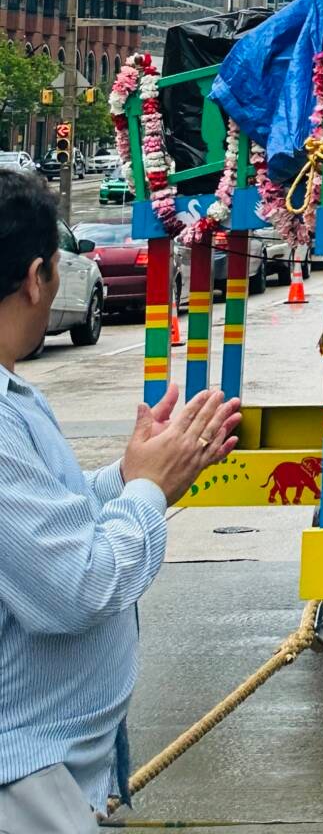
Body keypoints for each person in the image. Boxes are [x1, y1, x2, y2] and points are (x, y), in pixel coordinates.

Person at [0, 171, 241, 830]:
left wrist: (131, 473)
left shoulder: (15, 399)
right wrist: (147, 490)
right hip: (23, 781)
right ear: (35, 278)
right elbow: (78, 585)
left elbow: (44, 520)